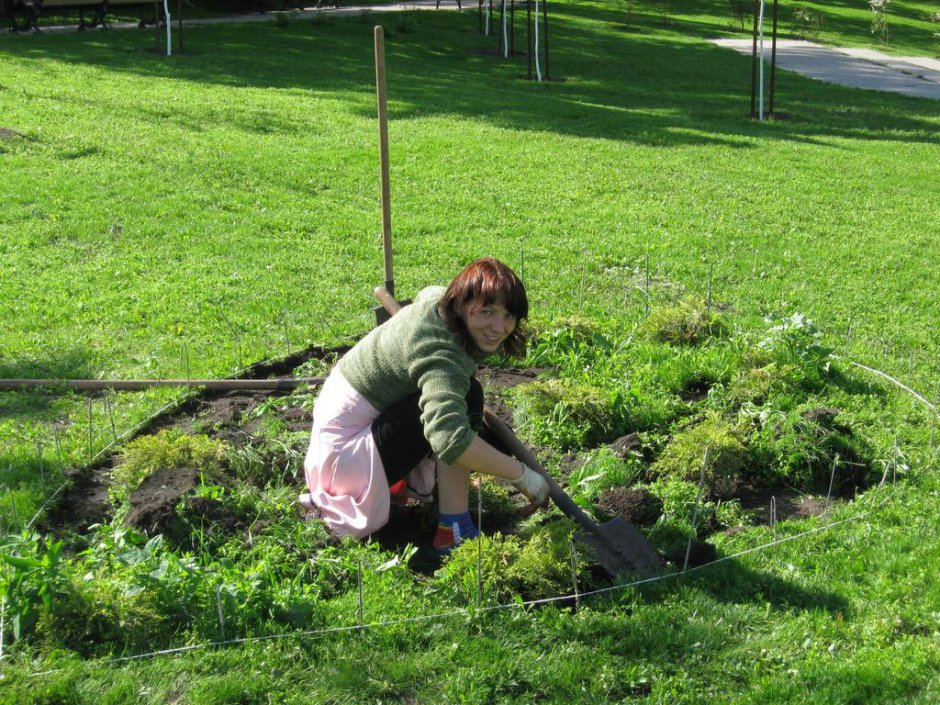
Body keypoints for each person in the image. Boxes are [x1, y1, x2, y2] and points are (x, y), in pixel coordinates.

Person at [299, 257, 550, 553]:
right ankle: (453, 531)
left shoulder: (440, 302)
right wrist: (522, 475)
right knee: (461, 406)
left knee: (461, 396)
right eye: (487, 312)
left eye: (509, 315)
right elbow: (451, 441)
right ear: (461, 303)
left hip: (354, 434)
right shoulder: (440, 354)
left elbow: (427, 291)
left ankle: (437, 504)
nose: (499, 327)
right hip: (344, 460)